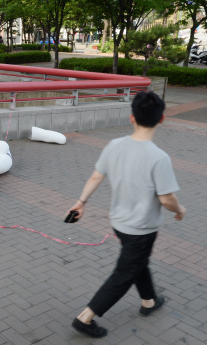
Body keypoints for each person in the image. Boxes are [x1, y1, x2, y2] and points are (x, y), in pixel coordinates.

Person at [67, 91, 186, 338]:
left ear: (132, 118)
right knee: (125, 272)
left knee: (136, 262)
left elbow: (96, 176)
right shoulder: (159, 158)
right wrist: (180, 209)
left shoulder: (114, 145)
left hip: (119, 223)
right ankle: (85, 318)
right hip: (141, 228)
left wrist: (81, 202)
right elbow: (166, 199)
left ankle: (149, 300)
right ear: (162, 119)